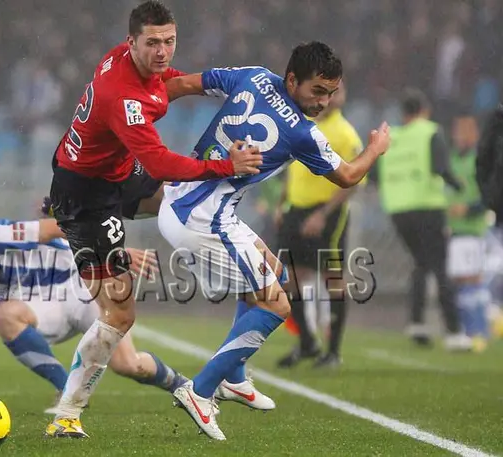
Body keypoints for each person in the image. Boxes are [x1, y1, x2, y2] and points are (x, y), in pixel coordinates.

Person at [47, 0, 262, 438]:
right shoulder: (123, 97)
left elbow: (168, 82)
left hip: (114, 172)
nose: (162, 51)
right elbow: (162, 162)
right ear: (133, 42)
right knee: (120, 314)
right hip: (87, 198)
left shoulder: (123, 58)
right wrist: (227, 166)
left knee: (183, 202)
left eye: (169, 40)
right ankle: (67, 414)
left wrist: (214, 86)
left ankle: (222, 262)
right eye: (153, 43)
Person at [159, 41, 391, 440]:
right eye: (317, 91)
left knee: (274, 273)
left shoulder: (253, 76)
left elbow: (184, 84)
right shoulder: (302, 133)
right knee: (278, 301)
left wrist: (140, 110)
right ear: (292, 80)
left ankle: (236, 378)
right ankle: (200, 389)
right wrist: (376, 148)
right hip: (202, 218)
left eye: (330, 93)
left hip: (183, 197)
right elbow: (351, 175)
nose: (323, 101)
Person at [0, 218, 187, 419]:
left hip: (81, 285)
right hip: (46, 310)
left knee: (129, 365)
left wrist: (112, 252)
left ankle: (185, 387)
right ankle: (69, 393)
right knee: (5, 317)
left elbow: (56, 227)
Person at [275, 81, 363, 369]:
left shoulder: (345, 132)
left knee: (332, 277)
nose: (331, 98)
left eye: (338, 91)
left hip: (327, 214)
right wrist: (282, 203)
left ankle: (333, 351)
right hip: (296, 211)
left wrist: (323, 214)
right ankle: (307, 342)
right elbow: (292, 168)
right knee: (291, 278)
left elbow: (354, 180)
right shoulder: (303, 124)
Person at [375, 88, 471, 350]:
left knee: (420, 263)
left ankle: (416, 323)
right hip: (427, 207)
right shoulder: (430, 131)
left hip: (397, 210)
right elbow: (440, 167)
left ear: (403, 113)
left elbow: (373, 174)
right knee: (440, 266)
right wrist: (458, 186)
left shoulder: (391, 136)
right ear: (424, 110)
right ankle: (454, 332)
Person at [446, 113, 491, 350]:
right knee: (456, 280)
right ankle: (464, 330)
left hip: (473, 230)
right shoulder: (451, 159)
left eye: (466, 131)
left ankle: (479, 332)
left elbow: (490, 194)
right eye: (457, 130)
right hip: (452, 230)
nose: (460, 135)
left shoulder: (480, 160)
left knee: (472, 278)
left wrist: (469, 209)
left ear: (474, 134)